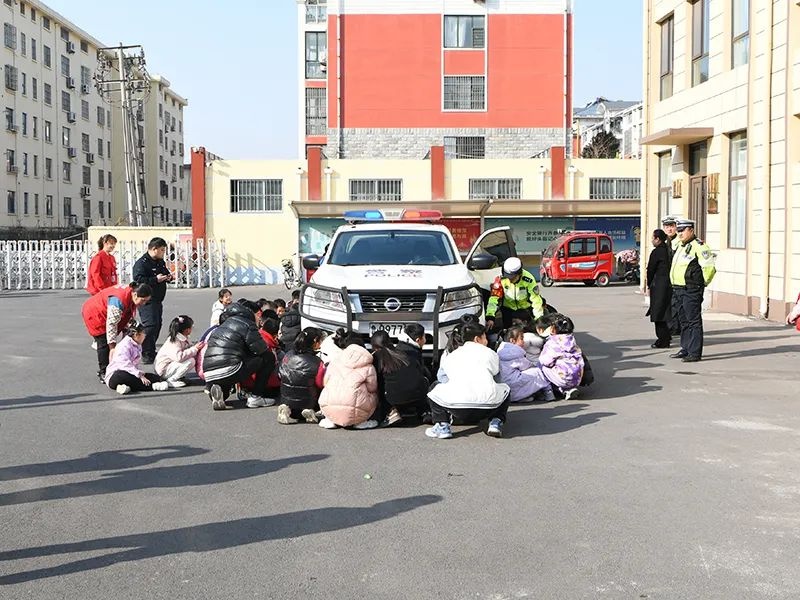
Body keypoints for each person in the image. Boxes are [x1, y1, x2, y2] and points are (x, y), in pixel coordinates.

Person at [426, 317, 511, 439]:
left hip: (456, 407)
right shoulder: (490, 353)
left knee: (434, 390)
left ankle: (442, 425)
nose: (486, 341)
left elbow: (442, 378)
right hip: (487, 407)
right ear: (477, 339)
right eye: (484, 337)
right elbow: (497, 377)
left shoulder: (452, 355)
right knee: (505, 389)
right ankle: (495, 422)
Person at [203, 299, 276, 410]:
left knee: (225, 388)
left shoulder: (222, 326)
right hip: (230, 368)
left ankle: (218, 392)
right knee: (268, 357)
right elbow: (261, 349)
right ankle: (256, 397)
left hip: (209, 372)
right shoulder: (247, 324)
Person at [82, 282, 152, 383]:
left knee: (121, 339)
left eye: (146, 301)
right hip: (95, 313)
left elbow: (127, 317)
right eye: (143, 300)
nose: (144, 303)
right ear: (135, 295)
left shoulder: (132, 292)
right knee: (103, 341)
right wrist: (112, 347)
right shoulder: (118, 300)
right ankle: (104, 371)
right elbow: (111, 325)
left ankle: (119, 366)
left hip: (108, 312)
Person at [669, 219, 716, 362]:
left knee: (693, 321)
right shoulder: (681, 245)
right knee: (683, 321)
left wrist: (701, 284)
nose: (680, 233)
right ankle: (685, 348)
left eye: (683, 230)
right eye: (678, 230)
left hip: (691, 289)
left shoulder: (699, 246)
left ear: (691, 230)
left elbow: (709, 268)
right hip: (678, 288)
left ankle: (695, 352)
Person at [371, 325, 430, 427]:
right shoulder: (403, 352)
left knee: (382, 385)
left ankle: (390, 412)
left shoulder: (377, 357)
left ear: (374, 347)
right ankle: (424, 412)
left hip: (393, 398)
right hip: (417, 394)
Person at [318, 334, 379, 430]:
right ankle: (360, 421)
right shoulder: (368, 366)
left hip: (328, 407)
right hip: (356, 411)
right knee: (372, 393)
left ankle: (330, 420)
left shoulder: (334, 361)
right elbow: (372, 388)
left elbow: (325, 383)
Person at [132, 237, 172, 364]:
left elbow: (164, 272)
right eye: (162, 250)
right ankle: (146, 352)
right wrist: (155, 279)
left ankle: (150, 349)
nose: (163, 253)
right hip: (146, 300)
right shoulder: (142, 263)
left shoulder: (159, 261)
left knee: (157, 325)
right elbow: (138, 280)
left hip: (158, 299)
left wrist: (168, 276)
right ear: (154, 249)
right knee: (150, 325)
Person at [105, 322, 170, 394]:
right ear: (136, 335)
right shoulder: (124, 346)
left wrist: (140, 374)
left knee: (154, 377)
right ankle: (152, 387)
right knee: (124, 376)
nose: (144, 337)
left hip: (131, 372)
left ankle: (123, 387)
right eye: (143, 334)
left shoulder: (136, 344)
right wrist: (139, 375)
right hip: (115, 376)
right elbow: (125, 364)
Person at [277, 327, 326, 424]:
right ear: (315, 341)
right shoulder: (317, 362)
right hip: (309, 401)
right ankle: (309, 410)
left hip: (287, 399)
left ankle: (286, 409)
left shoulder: (288, 355)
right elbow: (320, 383)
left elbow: (280, 374)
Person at [485, 257, 545, 332]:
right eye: (508, 277)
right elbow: (494, 299)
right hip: (508, 311)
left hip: (525, 311)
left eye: (512, 278)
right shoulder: (500, 279)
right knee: (508, 332)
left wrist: (539, 319)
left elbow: (536, 300)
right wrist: (490, 317)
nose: (509, 280)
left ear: (519, 274)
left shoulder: (528, 279)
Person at [497, 326, 554, 402]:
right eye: (521, 338)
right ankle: (549, 394)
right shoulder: (516, 352)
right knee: (538, 371)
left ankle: (523, 397)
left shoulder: (500, 350)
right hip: (513, 384)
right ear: (512, 341)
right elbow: (527, 366)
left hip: (504, 387)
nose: (524, 341)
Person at [154, 315, 204, 387]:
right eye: (191, 327)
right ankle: (171, 380)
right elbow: (178, 357)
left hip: (169, 366)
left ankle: (178, 377)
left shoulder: (181, 338)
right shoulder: (174, 342)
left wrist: (194, 348)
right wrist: (194, 349)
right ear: (187, 330)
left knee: (191, 358)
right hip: (163, 370)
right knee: (191, 361)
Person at [646, 229, 673, 348]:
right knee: (664, 311)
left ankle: (663, 340)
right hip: (668, 284)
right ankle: (666, 336)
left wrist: (649, 284)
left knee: (658, 313)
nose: (652, 240)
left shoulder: (657, 252)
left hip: (659, 285)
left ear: (657, 239)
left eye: (653, 238)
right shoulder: (668, 250)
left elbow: (651, 269)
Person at [661, 216, 681, 337]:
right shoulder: (665, 242)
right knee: (668, 303)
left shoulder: (679, 242)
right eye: (667, 227)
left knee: (675, 303)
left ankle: (675, 327)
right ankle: (672, 326)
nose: (669, 229)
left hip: (677, 278)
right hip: (667, 278)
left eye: (672, 226)